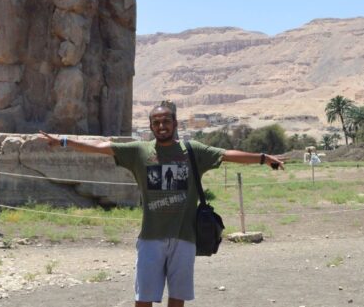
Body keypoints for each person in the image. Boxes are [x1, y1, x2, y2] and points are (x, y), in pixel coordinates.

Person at [41, 100, 285, 307]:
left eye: (166, 121)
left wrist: (263, 159)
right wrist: (64, 142)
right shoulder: (139, 151)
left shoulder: (192, 150)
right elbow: (102, 148)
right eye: (156, 122)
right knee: (143, 299)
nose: (161, 126)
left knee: (177, 300)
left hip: (184, 238)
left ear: (175, 124)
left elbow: (226, 154)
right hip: (150, 239)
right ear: (151, 126)